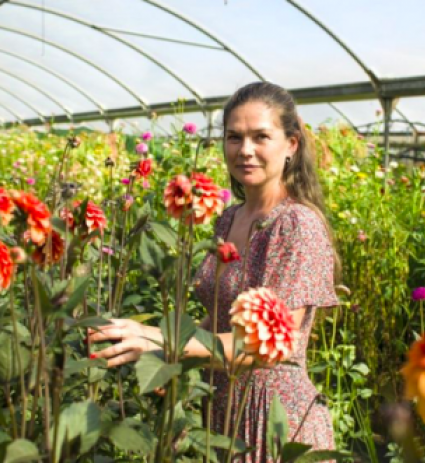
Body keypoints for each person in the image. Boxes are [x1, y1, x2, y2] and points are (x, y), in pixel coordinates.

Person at [89, 81, 339, 461]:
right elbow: (221, 314)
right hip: (221, 407)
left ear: (291, 145)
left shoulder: (296, 225)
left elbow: (269, 347)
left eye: (261, 137)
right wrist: (174, 360)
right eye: (234, 137)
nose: (246, 150)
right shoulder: (228, 219)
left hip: (271, 419)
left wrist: (160, 340)